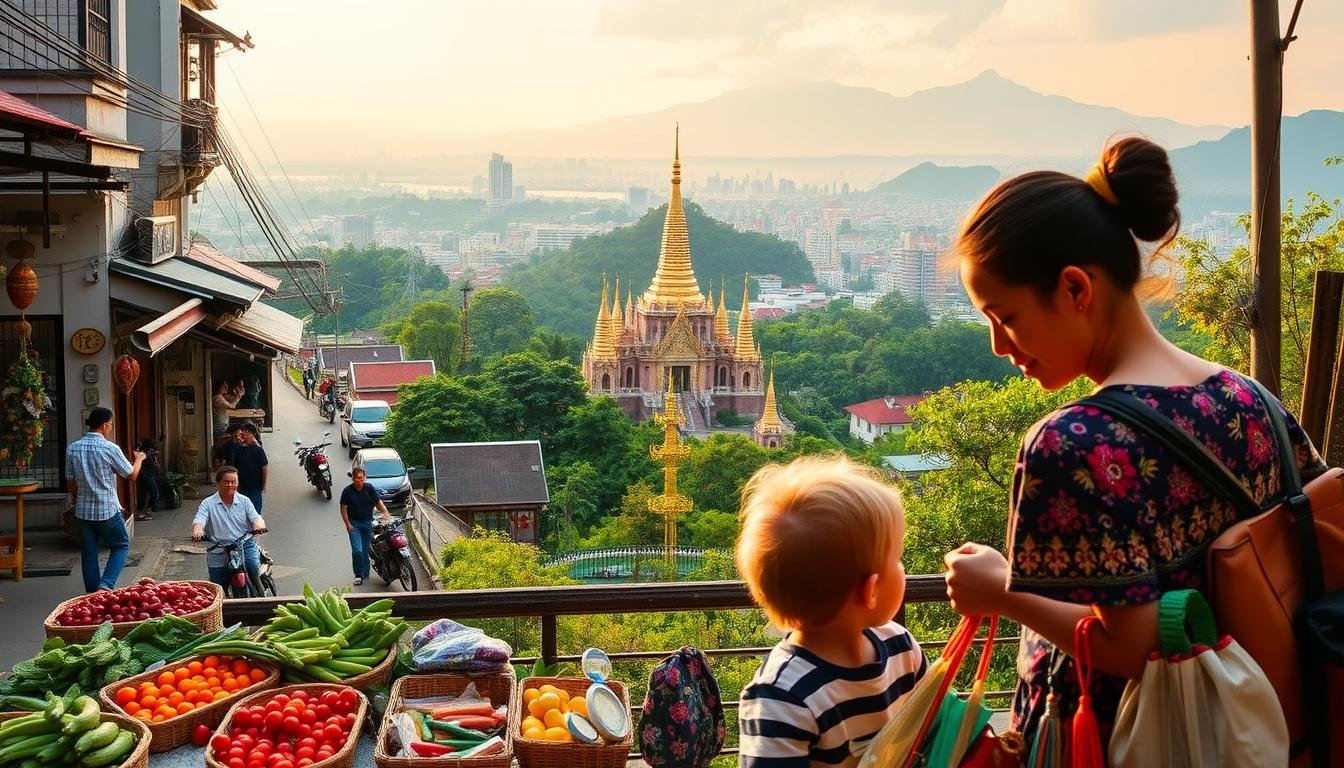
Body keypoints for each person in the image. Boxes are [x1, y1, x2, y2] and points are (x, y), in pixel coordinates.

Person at [941, 137, 1327, 751]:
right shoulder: (1249, 398)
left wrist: (1001, 591)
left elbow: (1131, 646)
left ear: (1075, 289)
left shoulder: (1073, 443)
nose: (999, 345)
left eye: (1005, 317)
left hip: (1129, 740)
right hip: (1256, 735)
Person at [736, 456, 926, 767]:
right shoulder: (780, 695)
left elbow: (933, 725)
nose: (902, 567)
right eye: (897, 558)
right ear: (871, 590)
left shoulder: (901, 647)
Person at [65, 407, 145, 592]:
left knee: (89, 553)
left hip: (83, 512)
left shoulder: (72, 448)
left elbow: (71, 484)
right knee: (121, 545)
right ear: (104, 425)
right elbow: (132, 475)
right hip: (107, 510)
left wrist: (80, 498)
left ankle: (93, 595)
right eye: (110, 424)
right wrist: (139, 459)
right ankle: (106, 585)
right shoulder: (110, 448)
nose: (110, 427)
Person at [191, 465, 266, 591]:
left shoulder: (244, 501)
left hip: (244, 544)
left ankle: (259, 591)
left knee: (252, 566)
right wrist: (197, 531)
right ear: (218, 483)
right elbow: (199, 520)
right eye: (226, 482)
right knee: (217, 586)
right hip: (218, 548)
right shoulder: (207, 503)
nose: (230, 485)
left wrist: (259, 526)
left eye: (233, 482)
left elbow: (256, 518)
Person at [339, 467, 391, 586]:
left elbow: (378, 502)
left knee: (366, 548)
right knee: (357, 550)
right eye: (356, 479)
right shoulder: (347, 491)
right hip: (354, 524)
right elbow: (343, 508)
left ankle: (365, 572)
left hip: (368, 523)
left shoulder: (369, 488)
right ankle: (358, 574)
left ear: (365, 478)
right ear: (352, 479)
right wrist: (347, 524)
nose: (359, 481)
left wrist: (385, 513)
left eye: (361, 478)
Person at [230, 422, 268, 513]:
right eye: (242, 432)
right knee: (241, 513)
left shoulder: (258, 450)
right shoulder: (238, 449)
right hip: (241, 488)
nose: (242, 434)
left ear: (252, 434)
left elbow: (264, 468)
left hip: (255, 488)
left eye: (246, 432)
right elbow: (235, 468)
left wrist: (264, 485)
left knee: (255, 513)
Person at [135, 437, 160, 522]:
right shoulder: (144, 454)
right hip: (147, 476)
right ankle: (148, 511)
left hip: (149, 475)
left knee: (145, 494)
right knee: (155, 493)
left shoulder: (149, 454)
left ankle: (143, 512)